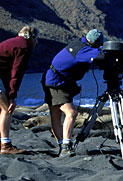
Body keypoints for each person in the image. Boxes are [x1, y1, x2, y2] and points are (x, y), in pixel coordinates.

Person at [42, 29, 106, 157]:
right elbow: (101, 56)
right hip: (56, 83)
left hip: (53, 80)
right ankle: (66, 146)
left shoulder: (79, 45)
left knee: (56, 114)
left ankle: (62, 145)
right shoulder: (82, 50)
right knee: (71, 112)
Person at [0, 25, 39, 154]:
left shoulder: (12, 43)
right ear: (31, 37)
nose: (37, 42)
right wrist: (12, 97)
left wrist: (9, 92)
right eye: (36, 38)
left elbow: (6, 72)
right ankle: (5, 145)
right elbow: (17, 73)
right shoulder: (23, 46)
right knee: (7, 110)